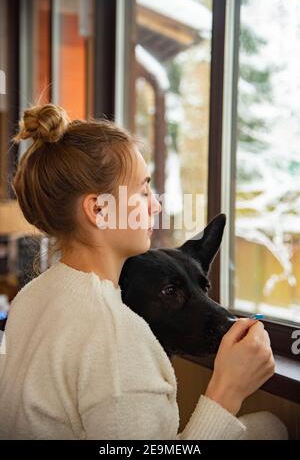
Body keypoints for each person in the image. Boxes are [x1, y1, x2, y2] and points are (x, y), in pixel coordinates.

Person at [0, 104, 288, 440]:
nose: (156, 205)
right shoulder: (118, 339)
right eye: (143, 191)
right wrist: (228, 391)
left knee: (268, 426)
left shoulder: (32, 295)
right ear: (98, 209)